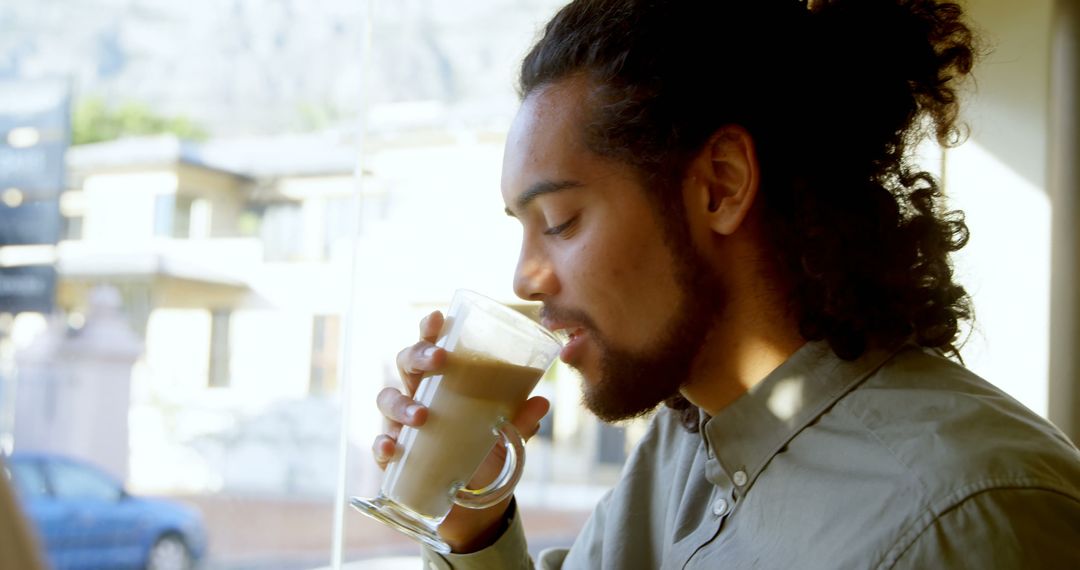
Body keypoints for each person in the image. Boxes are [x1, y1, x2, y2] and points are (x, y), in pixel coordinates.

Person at [374, 0, 1080, 567]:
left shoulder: (965, 518)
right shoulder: (685, 441)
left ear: (721, 186)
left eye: (558, 220)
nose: (525, 276)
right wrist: (474, 521)